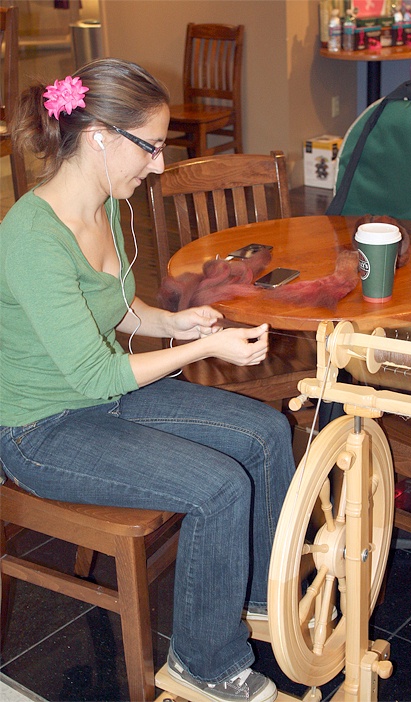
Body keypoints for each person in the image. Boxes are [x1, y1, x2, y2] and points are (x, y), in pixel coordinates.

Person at [0, 58, 296, 702]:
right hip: (41, 431)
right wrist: (206, 347)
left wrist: (179, 323)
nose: (160, 165)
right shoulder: (30, 236)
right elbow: (97, 370)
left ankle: (252, 603)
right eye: (152, 147)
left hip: (99, 398)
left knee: (268, 432)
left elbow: (117, 307)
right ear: (101, 136)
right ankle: (204, 668)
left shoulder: (103, 204)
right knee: (219, 487)